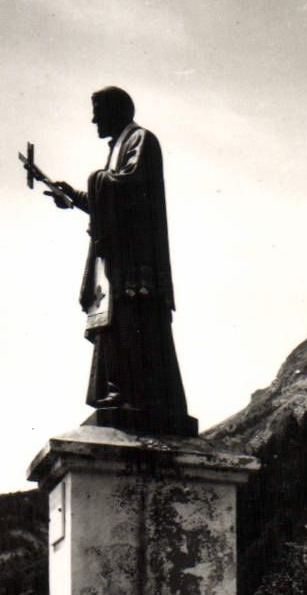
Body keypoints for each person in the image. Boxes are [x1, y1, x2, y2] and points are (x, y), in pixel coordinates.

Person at [43, 86, 194, 435]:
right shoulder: (120, 147)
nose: (93, 119)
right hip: (118, 259)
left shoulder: (141, 139)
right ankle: (120, 391)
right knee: (116, 322)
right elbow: (111, 195)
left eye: (98, 110)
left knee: (132, 321)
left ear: (116, 110)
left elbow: (128, 187)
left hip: (135, 260)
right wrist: (76, 198)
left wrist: (92, 183)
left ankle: (134, 395)